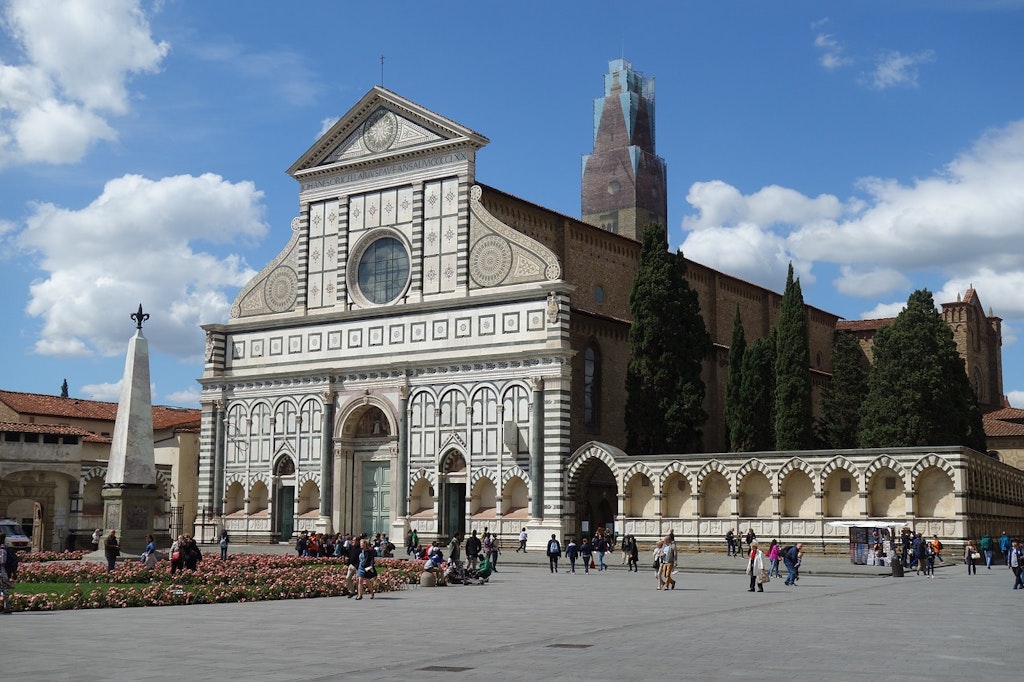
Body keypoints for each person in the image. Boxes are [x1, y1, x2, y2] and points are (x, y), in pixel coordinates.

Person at [0, 533, 13, 614]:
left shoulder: (2, 550)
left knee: (4, 590)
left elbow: (2, 561)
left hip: (1, 571)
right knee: (4, 590)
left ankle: (7, 607)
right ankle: (6, 606)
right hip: (2, 572)